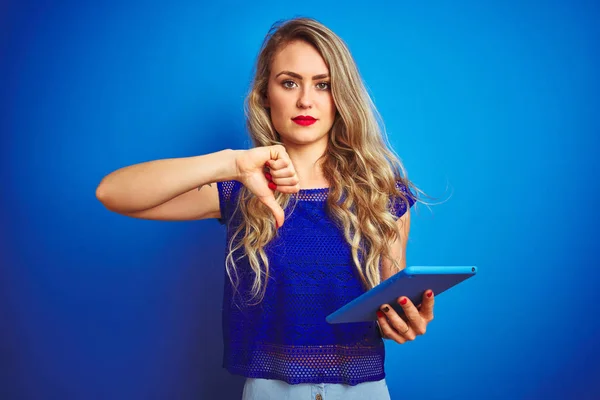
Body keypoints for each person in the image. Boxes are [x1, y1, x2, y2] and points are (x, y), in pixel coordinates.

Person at [96, 17, 434, 400]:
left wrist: (405, 319)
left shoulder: (382, 193)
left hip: (363, 390)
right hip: (270, 391)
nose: (305, 100)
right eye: (289, 82)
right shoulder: (240, 188)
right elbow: (112, 192)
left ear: (341, 96)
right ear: (265, 94)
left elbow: (392, 301)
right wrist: (230, 164)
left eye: (322, 85)